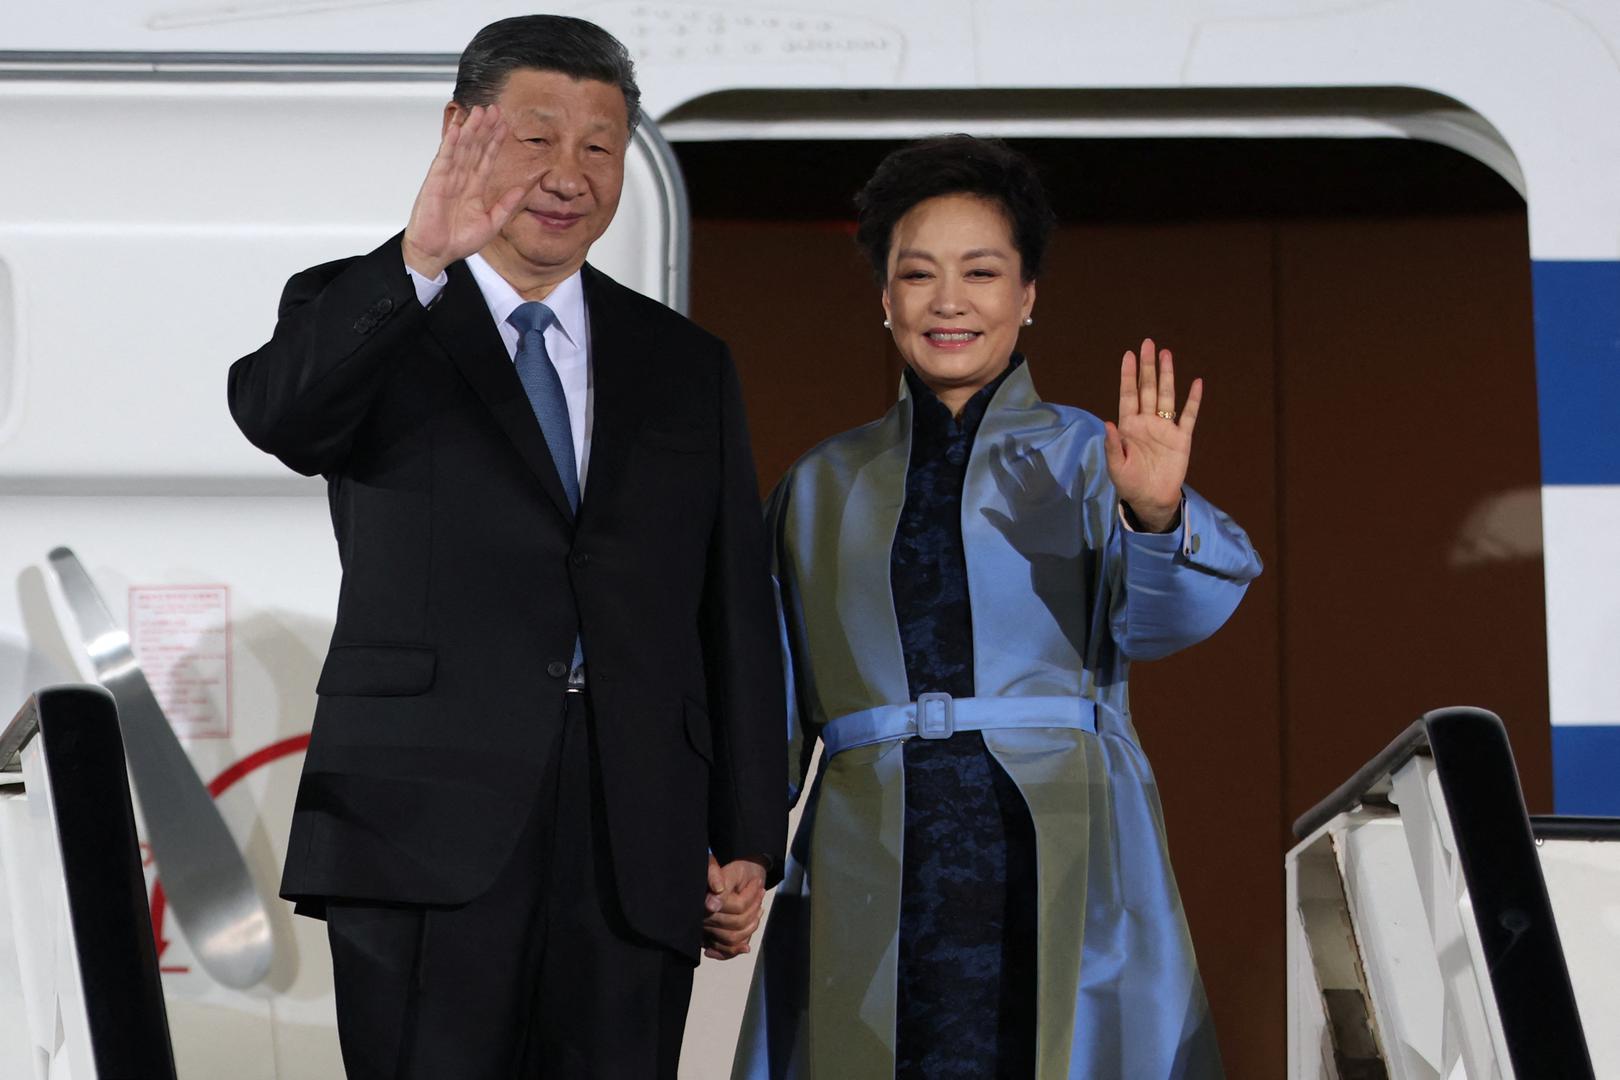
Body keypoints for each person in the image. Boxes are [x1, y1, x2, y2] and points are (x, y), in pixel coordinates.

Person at [227, 16, 784, 1078]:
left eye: (599, 146)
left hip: (636, 840)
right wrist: (420, 258)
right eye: (537, 138)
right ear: (461, 131)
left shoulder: (684, 363)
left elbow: (730, 609)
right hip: (422, 826)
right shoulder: (368, 307)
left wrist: (749, 828)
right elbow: (277, 415)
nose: (569, 174)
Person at [731, 136, 1262, 1079]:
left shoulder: (1094, 455)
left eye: (982, 272)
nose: (949, 301)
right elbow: (764, 699)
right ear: (885, 297)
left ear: (1026, 296)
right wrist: (739, 845)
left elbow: (1172, 618)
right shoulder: (817, 485)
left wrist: (1156, 511)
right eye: (918, 273)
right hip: (874, 849)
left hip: (1061, 845)